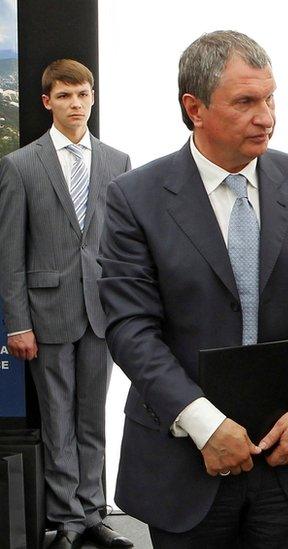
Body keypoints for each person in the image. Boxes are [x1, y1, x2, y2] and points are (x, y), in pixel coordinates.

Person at [97, 31, 288, 548]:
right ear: (194, 108)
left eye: (269, 98)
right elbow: (131, 328)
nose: (265, 116)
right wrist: (203, 424)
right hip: (186, 465)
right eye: (245, 101)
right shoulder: (136, 199)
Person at [0, 59, 132, 549]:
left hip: (101, 312)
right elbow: (10, 251)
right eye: (64, 96)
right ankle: (66, 521)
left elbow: (122, 246)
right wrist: (17, 324)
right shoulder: (20, 165)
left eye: (82, 94)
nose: (75, 104)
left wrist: (128, 311)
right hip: (46, 313)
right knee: (57, 420)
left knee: (92, 417)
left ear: (92, 97)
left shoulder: (118, 162)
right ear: (46, 102)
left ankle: (95, 513)